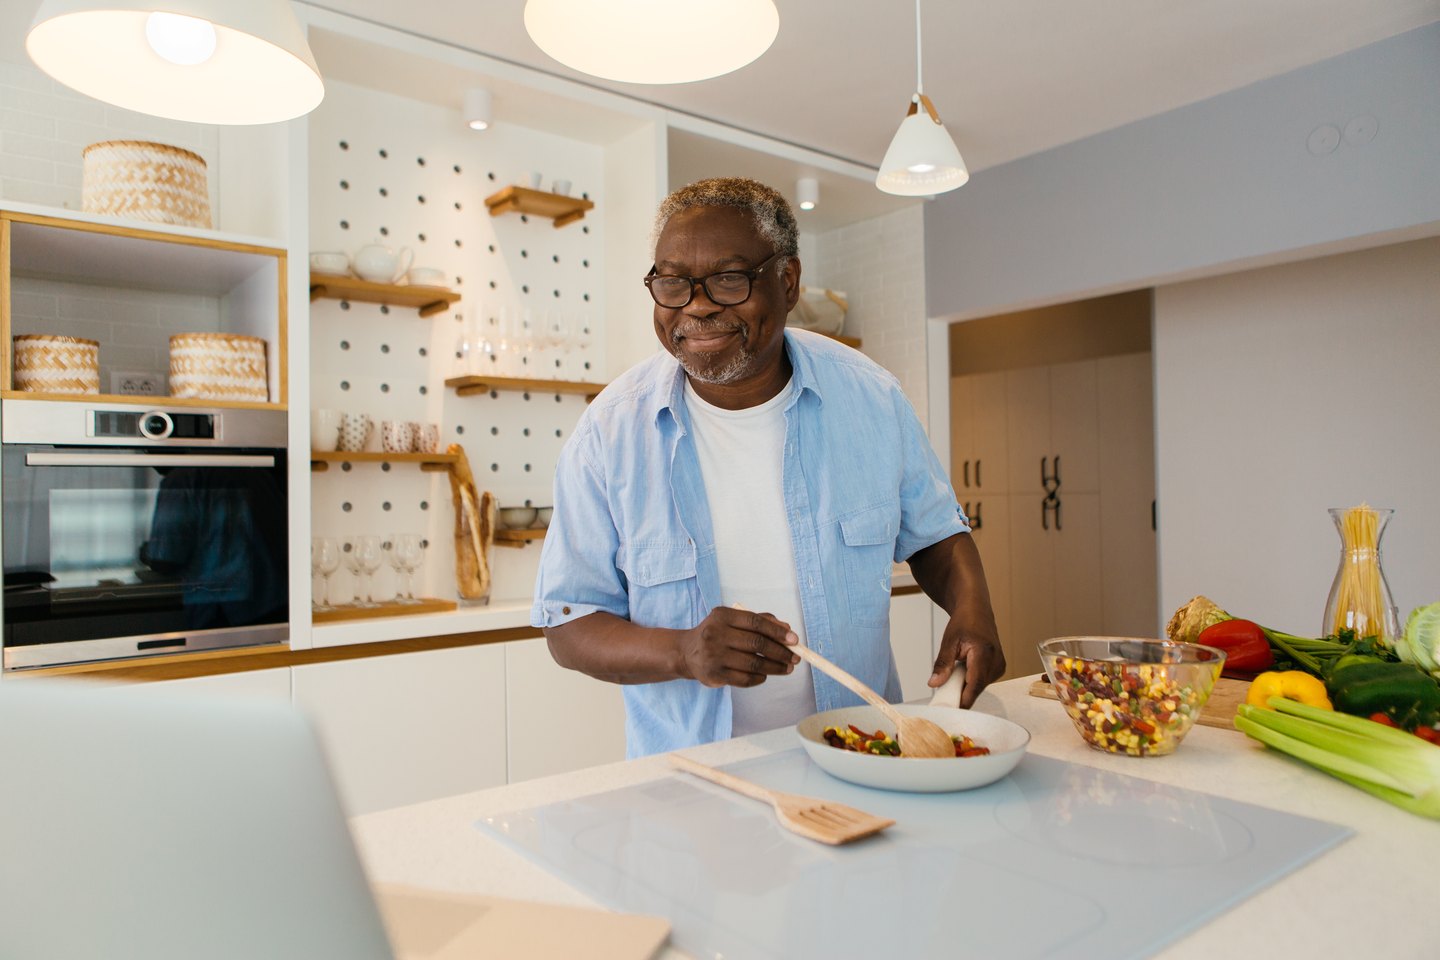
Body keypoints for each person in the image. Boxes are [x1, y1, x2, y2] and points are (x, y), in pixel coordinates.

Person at [532, 176, 1003, 757]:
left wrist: (972, 607)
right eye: (673, 282)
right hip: (692, 782)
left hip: (862, 754)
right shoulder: (610, 434)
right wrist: (683, 651)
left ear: (788, 281)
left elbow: (936, 535)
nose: (697, 306)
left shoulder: (871, 398)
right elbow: (569, 622)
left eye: (729, 280)